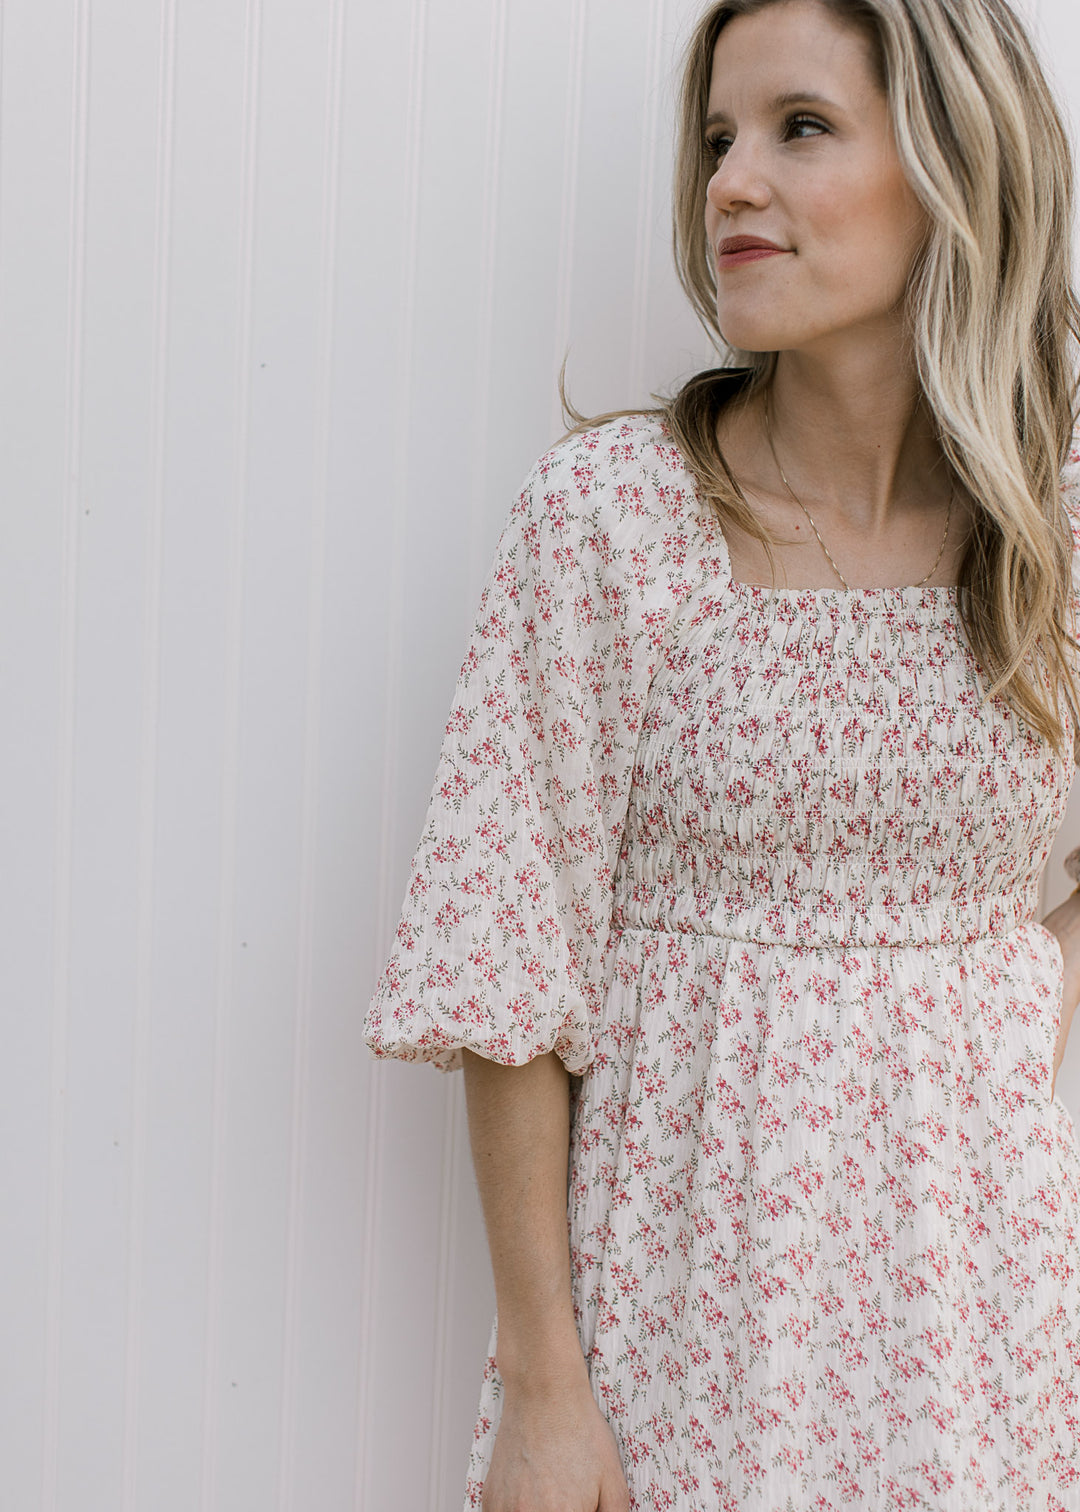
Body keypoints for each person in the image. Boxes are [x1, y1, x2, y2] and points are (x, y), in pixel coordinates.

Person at [364, 0, 1080, 1506]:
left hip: (981, 1327)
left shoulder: (1054, 530)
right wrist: (547, 1385)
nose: (729, 182)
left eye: (798, 127)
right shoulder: (613, 522)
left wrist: (1004, 1019)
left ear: (956, 162)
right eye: (716, 139)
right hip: (676, 1324)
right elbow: (508, 970)